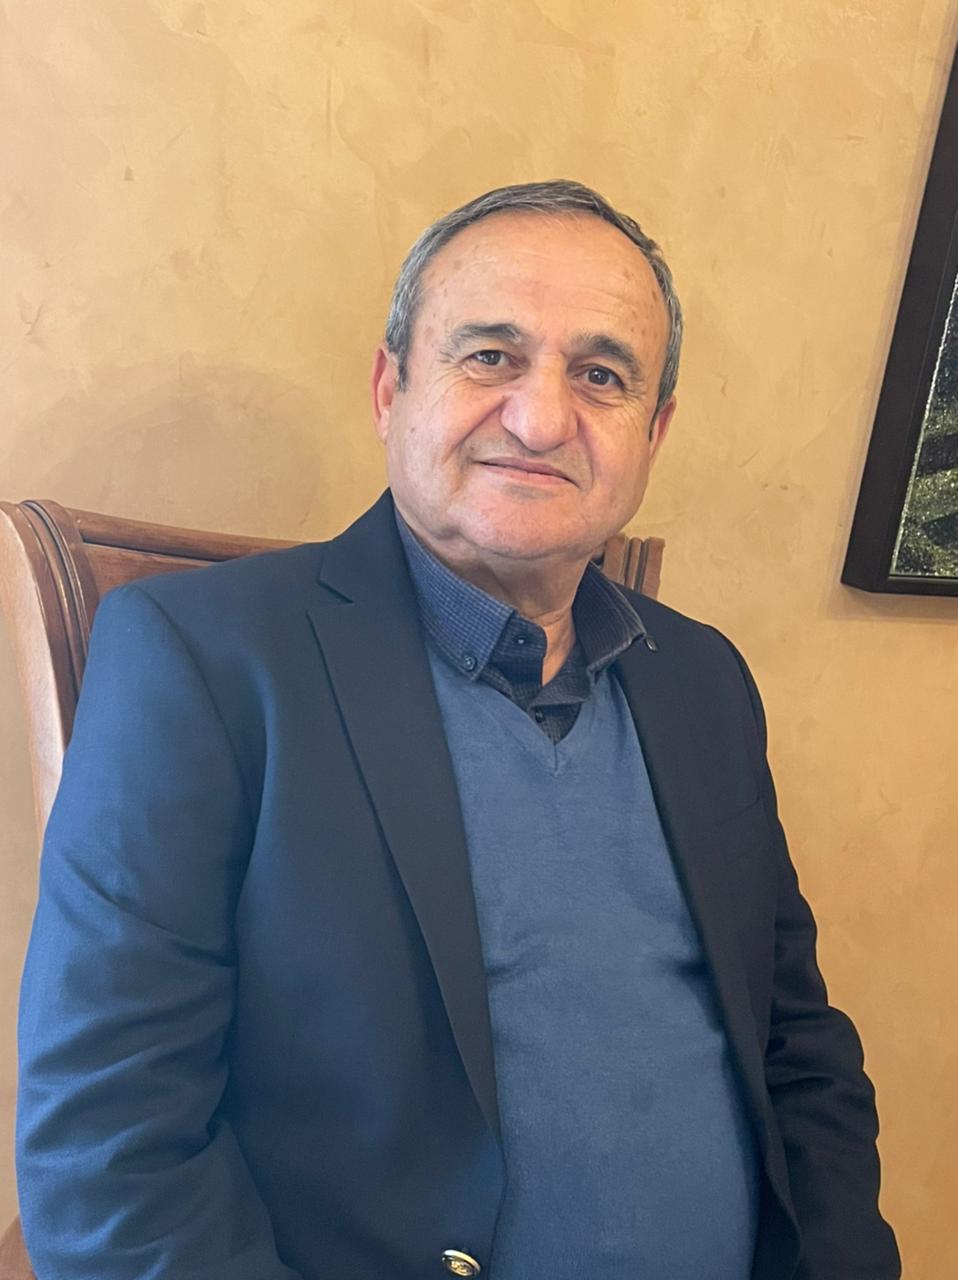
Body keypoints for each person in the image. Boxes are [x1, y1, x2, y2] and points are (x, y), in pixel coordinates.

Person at [16, 180, 900, 1280]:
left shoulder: (704, 680)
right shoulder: (201, 661)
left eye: (602, 375)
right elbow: (110, 1152)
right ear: (390, 388)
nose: (541, 419)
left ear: (654, 432)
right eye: (489, 355)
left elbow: (800, 1048)